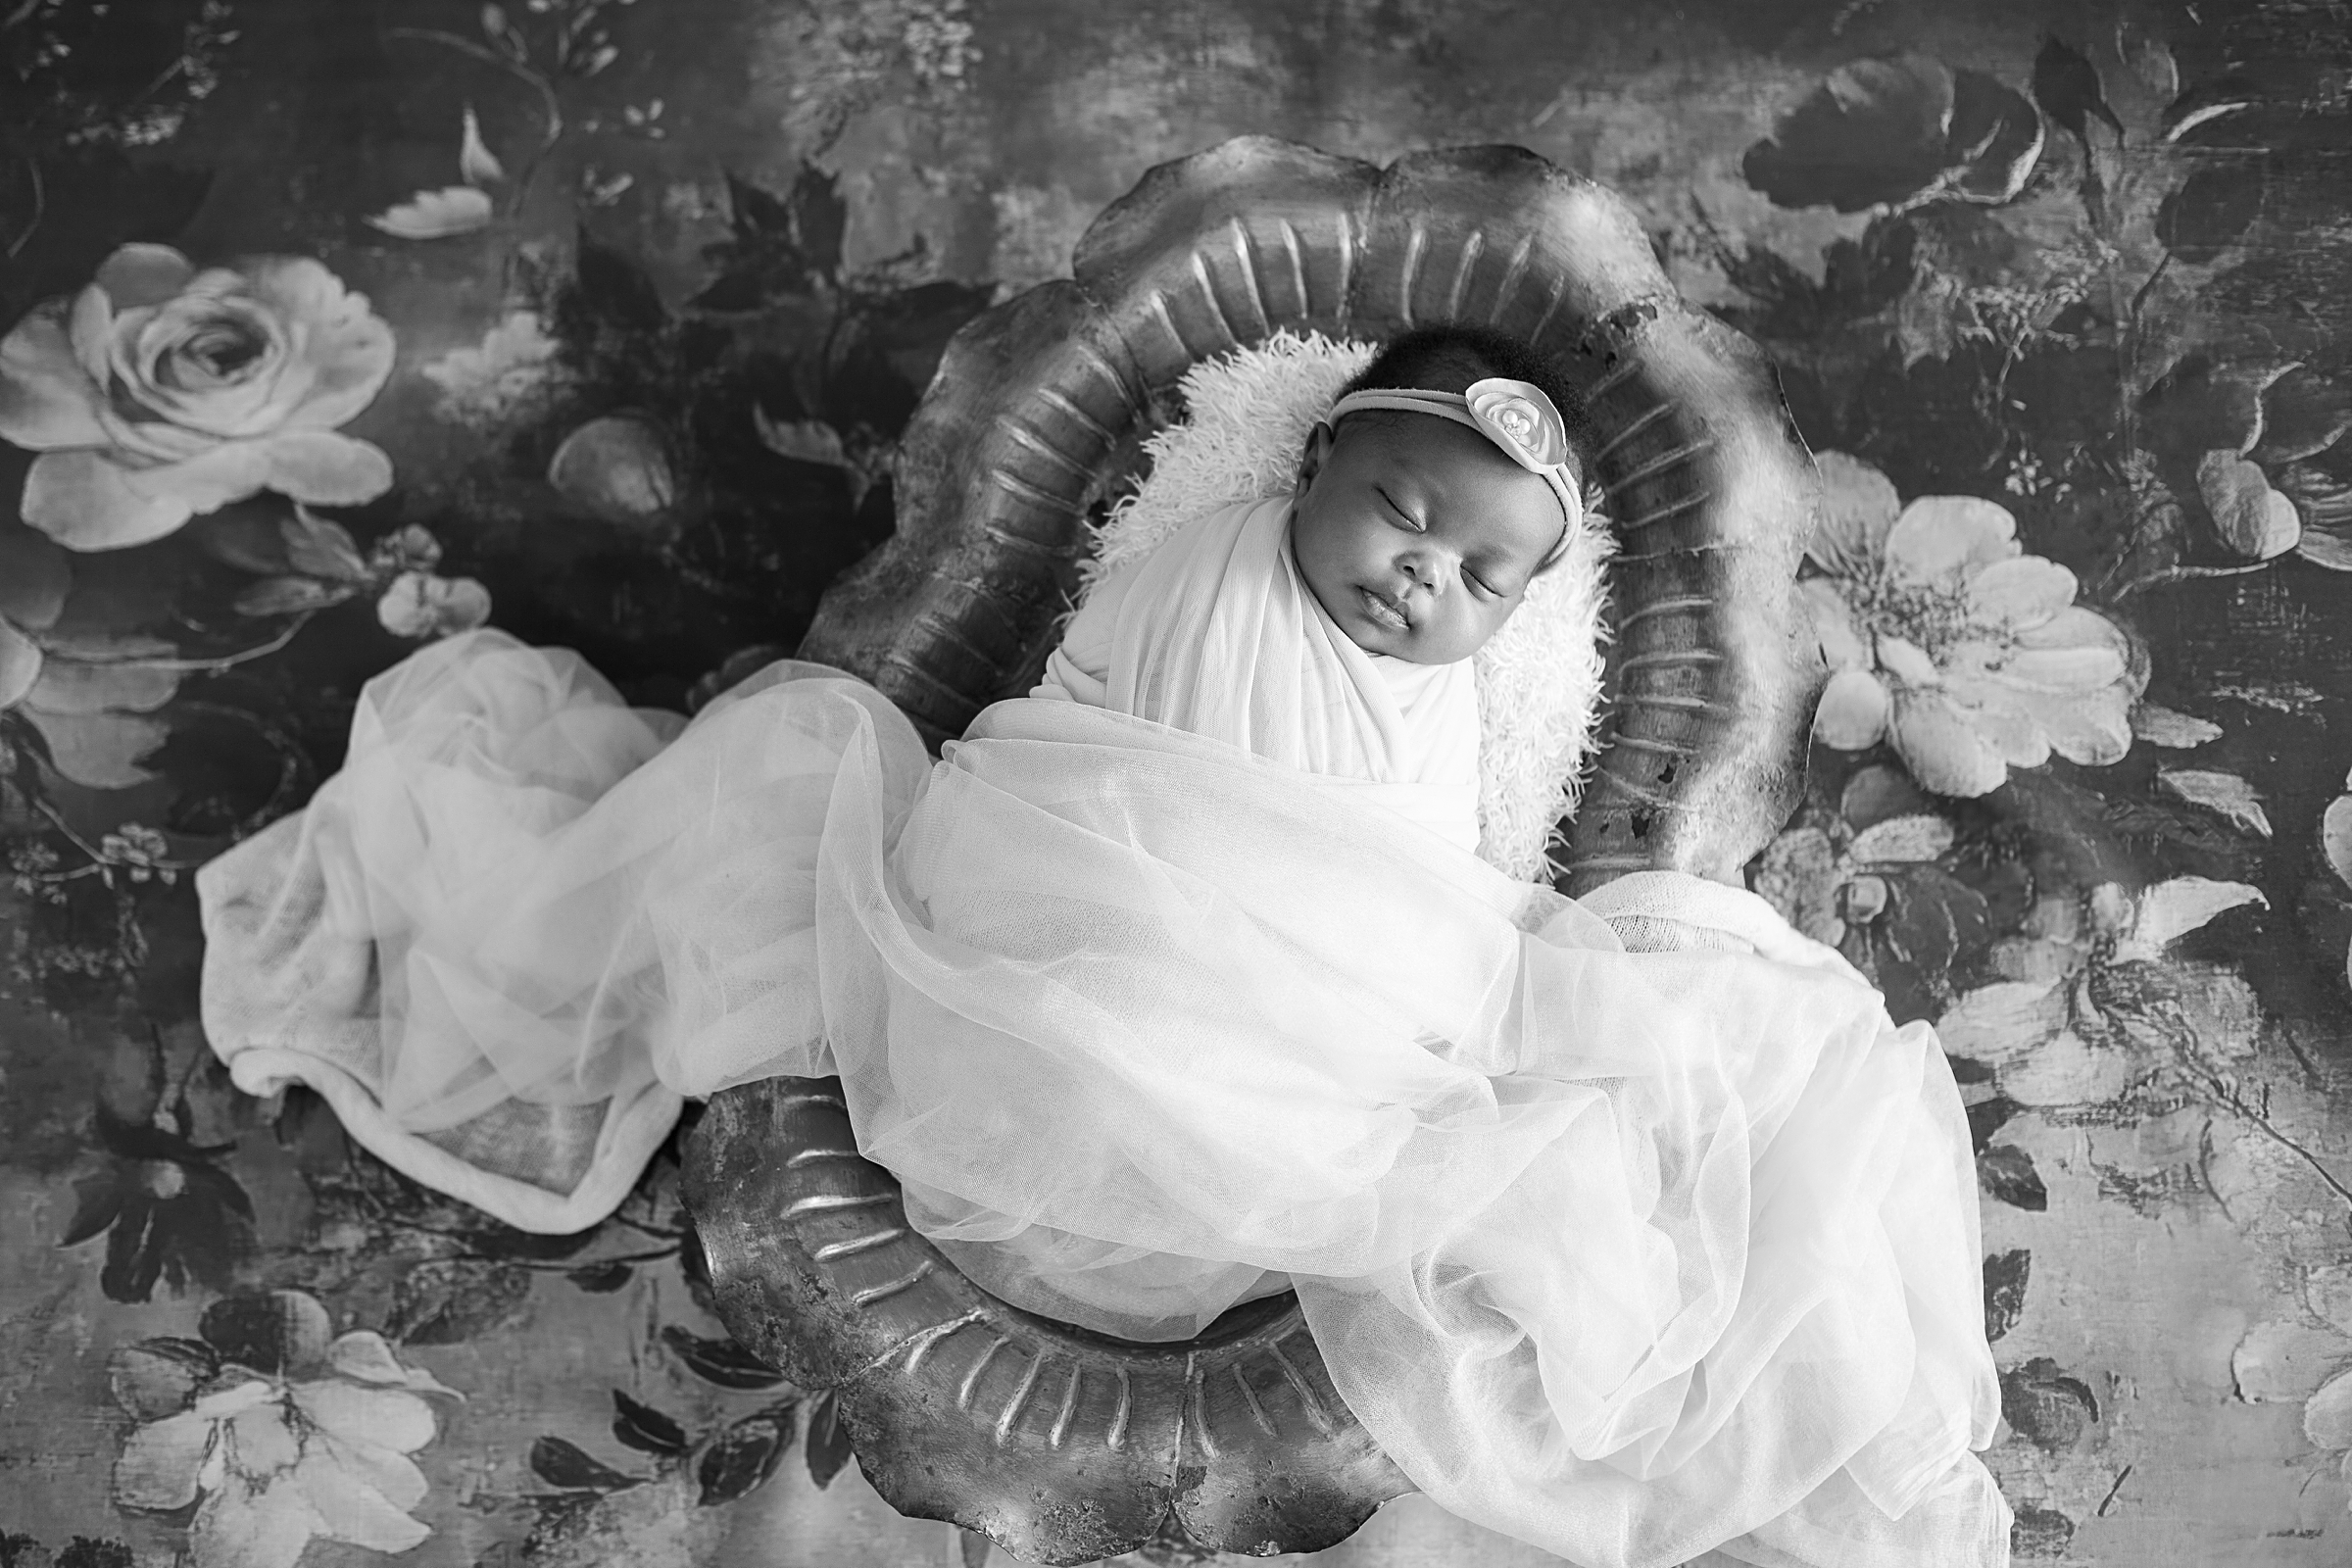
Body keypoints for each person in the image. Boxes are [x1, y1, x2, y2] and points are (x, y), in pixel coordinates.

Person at [197, 324, 2010, 1568]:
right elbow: (1158, 776)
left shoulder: (1457, 696)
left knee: (1617, 1062)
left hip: (1310, 994)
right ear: (1313, 456)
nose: (1421, 577)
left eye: (1482, 577)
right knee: (1238, 1055)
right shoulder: (1214, 560)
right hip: (1069, 903)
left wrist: (1403, 974)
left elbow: (1419, 866)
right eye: (1402, 508)